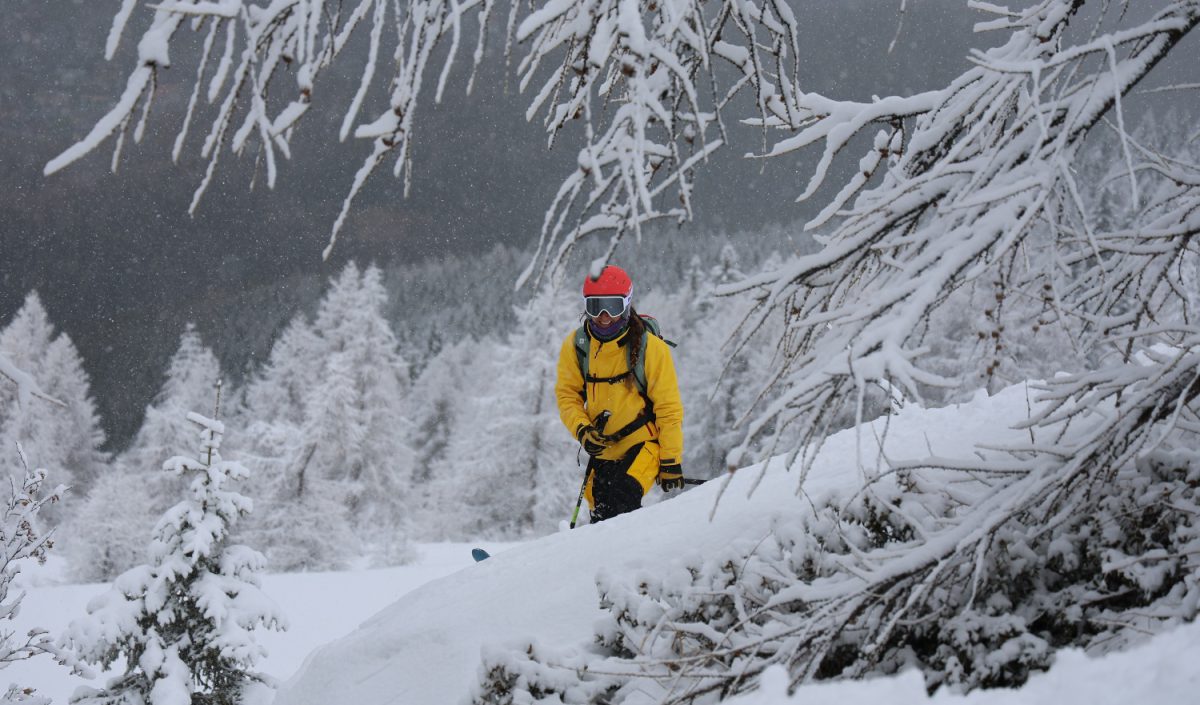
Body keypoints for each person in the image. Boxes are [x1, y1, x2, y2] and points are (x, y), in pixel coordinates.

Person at [555, 264, 685, 523]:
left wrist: (670, 459)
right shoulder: (577, 345)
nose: (604, 316)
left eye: (612, 306)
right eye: (595, 306)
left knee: (622, 504)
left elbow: (668, 407)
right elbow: (567, 396)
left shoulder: (652, 349)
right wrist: (582, 430)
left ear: (626, 304)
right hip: (601, 448)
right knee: (601, 517)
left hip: (642, 444)